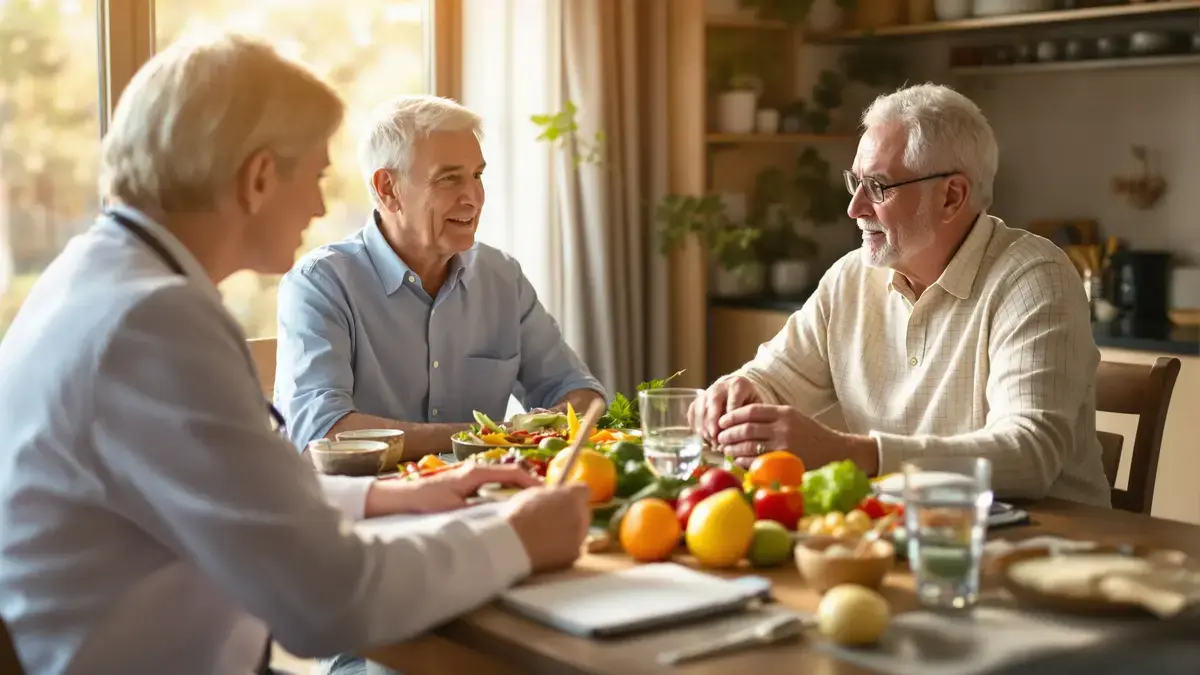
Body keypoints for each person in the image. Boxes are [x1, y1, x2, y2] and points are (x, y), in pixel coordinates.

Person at [0, 31, 591, 675]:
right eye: (313, 176)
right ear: (258, 178)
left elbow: (237, 494)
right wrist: (517, 538)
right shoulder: (153, 323)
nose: (316, 206)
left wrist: (392, 497)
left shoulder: (99, 281)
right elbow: (326, 601)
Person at [699, 83, 1111, 507]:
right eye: (855, 182)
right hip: (903, 534)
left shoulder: (1034, 278)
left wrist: (854, 453)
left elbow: (1030, 455)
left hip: (1050, 547)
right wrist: (738, 392)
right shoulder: (850, 279)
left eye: (877, 187)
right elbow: (773, 380)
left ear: (952, 196)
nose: (855, 207)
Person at [274, 94, 606, 457]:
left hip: (480, 499)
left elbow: (579, 391)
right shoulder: (320, 283)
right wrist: (488, 436)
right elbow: (322, 431)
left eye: (477, 175)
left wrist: (553, 420)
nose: (474, 198)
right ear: (389, 189)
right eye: (448, 179)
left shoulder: (502, 278)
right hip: (361, 505)